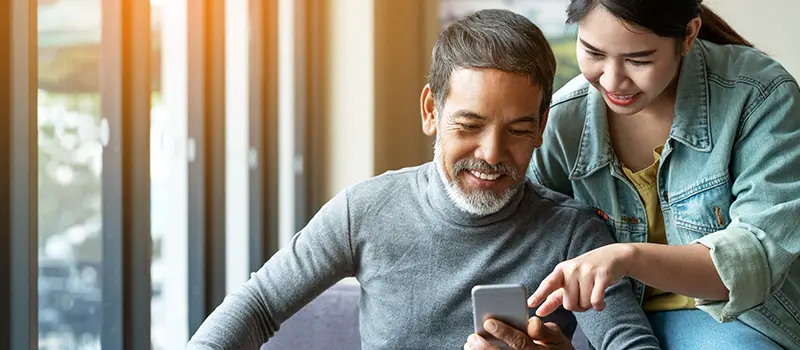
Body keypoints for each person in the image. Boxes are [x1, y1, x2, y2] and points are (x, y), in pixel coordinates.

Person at [186, 9, 661, 350]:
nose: (491, 154)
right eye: (469, 125)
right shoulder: (366, 211)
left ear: (540, 128)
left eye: (517, 130)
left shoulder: (574, 235)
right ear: (431, 111)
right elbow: (260, 304)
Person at [472, 1, 800, 349]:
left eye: (638, 60)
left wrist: (627, 258)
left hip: (731, 318)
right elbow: (523, 239)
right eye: (593, 53)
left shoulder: (758, 95)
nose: (613, 80)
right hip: (611, 317)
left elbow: (755, 257)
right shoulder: (563, 122)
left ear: (688, 35)